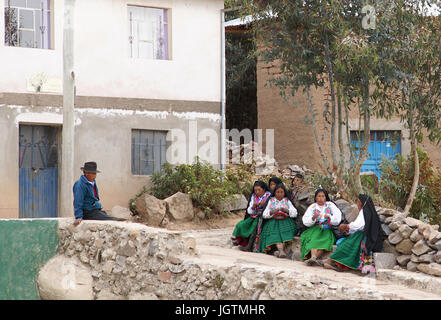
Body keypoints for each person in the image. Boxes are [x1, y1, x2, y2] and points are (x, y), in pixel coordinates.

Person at [323, 194, 385, 274]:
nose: (357, 204)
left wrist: (346, 226)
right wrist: (348, 228)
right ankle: (336, 263)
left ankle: (331, 260)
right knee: (347, 243)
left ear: (361, 203)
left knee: (346, 244)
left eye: (358, 202)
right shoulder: (370, 213)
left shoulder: (364, 212)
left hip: (364, 237)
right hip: (370, 238)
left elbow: (358, 225)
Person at [300, 188, 342, 266]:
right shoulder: (312, 207)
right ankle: (313, 257)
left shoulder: (331, 205)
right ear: (315, 198)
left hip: (327, 229)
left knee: (325, 242)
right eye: (319, 196)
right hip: (315, 228)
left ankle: (313, 258)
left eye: (323, 196)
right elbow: (305, 220)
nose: (321, 198)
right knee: (313, 239)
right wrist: (313, 218)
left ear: (326, 197)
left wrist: (329, 217)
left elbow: (338, 218)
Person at [259, 183, 298, 258]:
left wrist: (287, 210)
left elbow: (295, 213)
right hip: (273, 221)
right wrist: (272, 212)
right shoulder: (271, 201)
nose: (280, 194)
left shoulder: (287, 201)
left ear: (284, 193)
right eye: (278, 192)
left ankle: (280, 251)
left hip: (286, 221)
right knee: (275, 232)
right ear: (274, 192)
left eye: (281, 192)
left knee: (283, 232)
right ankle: (281, 251)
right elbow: (264, 214)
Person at [73, 161, 117, 226]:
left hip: (94, 209)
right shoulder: (80, 185)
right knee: (111, 220)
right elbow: (78, 201)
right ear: (86, 173)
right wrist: (79, 216)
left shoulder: (92, 182)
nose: (95, 176)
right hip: (88, 211)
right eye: (93, 174)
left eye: (95, 174)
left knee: (111, 218)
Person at [232, 180, 271, 251]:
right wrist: (253, 206)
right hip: (254, 215)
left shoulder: (269, 195)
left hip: (264, 216)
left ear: (264, 189)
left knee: (254, 226)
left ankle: (249, 246)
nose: (257, 192)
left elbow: (271, 207)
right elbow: (249, 210)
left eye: (259, 190)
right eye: (255, 190)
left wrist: (264, 204)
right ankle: (244, 242)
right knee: (241, 225)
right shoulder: (253, 196)